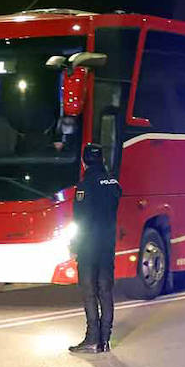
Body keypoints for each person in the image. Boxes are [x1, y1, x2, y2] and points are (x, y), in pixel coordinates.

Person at [69, 143, 121, 354]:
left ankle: (92, 339)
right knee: (105, 291)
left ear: (84, 162)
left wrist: (75, 246)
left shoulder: (84, 186)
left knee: (90, 291)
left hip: (89, 247)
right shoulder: (113, 183)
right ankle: (105, 340)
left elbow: (81, 220)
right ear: (102, 160)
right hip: (107, 245)